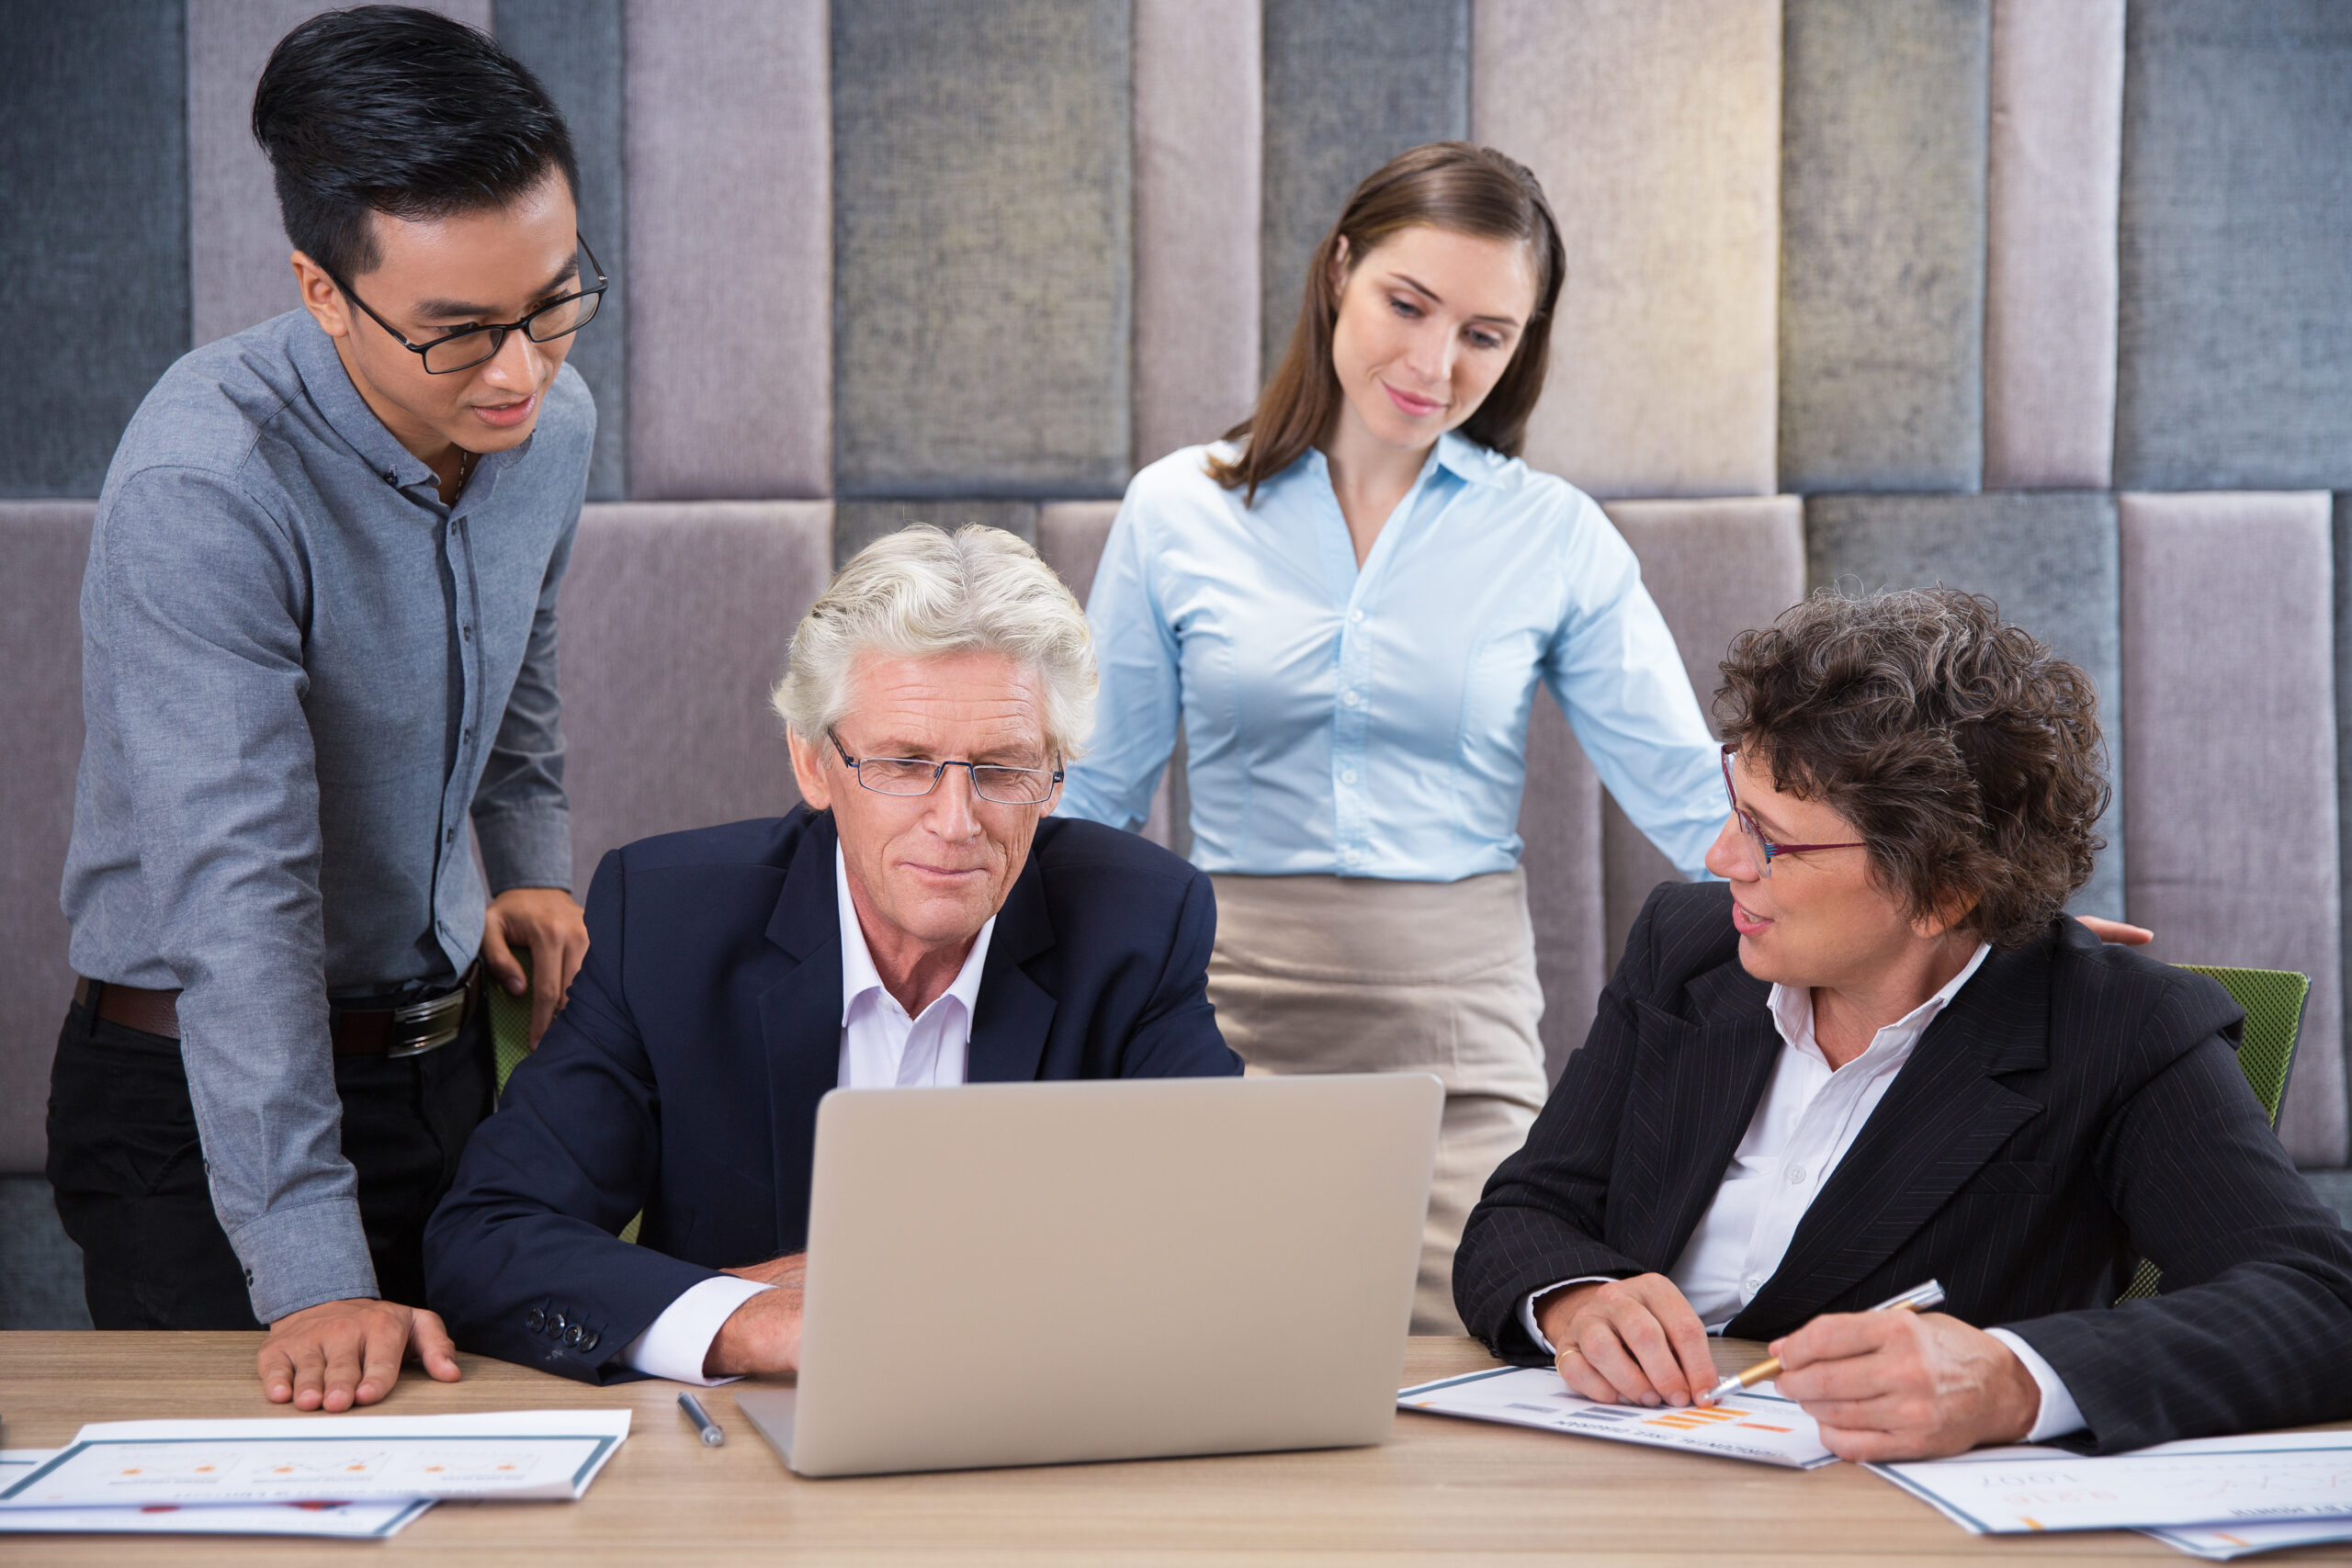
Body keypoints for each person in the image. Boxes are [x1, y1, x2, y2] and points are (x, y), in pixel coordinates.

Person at [1057, 143, 1725, 1333]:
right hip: (1221, 1016)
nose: (1433, 363)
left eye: (1485, 333)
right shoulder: (1176, 509)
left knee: (1470, 1386)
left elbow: (1690, 792)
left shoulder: (1555, 535)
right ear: (1339, 272)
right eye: (1407, 305)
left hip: (1455, 1037)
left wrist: (1933, 909)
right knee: (1214, 1365)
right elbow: (1093, 795)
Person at [1452, 588, 2352, 1459]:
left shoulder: (2113, 1028)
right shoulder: (1685, 949)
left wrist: (2014, 1380)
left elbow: (2321, 1305)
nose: (1719, 857)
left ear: (1939, 890)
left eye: (1770, 839)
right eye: (1734, 807)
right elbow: (1527, 1209)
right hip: (1606, 1477)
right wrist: (1571, 1298)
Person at [49, 6, 600, 1412]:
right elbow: (238, 895)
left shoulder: (547, 419)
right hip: (199, 1101)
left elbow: (519, 648)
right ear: (319, 287)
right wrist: (308, 1261)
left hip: (440, 1065)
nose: (523, 370)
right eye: (461, 332)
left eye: (554, 299)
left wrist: (526, 862)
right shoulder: (207, 482)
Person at [424, 525, 1242, 1384]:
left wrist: (921, 1288)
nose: (957, 822)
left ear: (1056, 778)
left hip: (1034, 1439)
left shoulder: (1140, 922)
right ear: (814, 765)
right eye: (904, 762)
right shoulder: (669, 922)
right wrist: (749, 1323)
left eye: (1002, 770)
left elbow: (1226, 1236)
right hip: (742, 1465)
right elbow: (488, 1237)